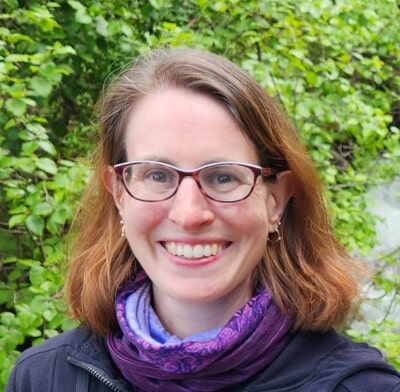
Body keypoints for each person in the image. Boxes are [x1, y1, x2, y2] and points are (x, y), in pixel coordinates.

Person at [6, 48, 400, 392]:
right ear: (120, 194)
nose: (190, 214)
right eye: (157, 175)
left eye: (223, 176)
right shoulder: (42, 377)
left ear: (275, 201)